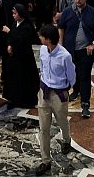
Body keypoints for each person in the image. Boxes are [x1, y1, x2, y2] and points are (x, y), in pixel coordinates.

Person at [57, 0, 94, 118]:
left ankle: (85, 104)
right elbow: (60, 27)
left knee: (84, 76)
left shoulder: (93, 13)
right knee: (72, 73)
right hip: (70, 50)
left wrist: (93, 43)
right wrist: (60, 44)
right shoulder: (67, 12)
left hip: (86, 51)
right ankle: (75, 91)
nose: (77, 1)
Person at [34, 24, 75, 176]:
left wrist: (65, 89)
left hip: (59, 94)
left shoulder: (65, 56)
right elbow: (43, 66)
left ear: (49, 39)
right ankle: (45, 161)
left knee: (62, 121)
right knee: (43, 128)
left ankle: (66, 139)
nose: (39, 38)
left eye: (42, 36)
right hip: (44, 92)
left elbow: (72, 76)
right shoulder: (43, 50)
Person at [2, 4, 39, 109]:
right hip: (14, 57)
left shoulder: (27, 27)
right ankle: (14, 99)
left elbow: (20, 40)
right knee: (13, 79)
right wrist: (9, 44)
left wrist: (9, 32)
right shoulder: (15, 23)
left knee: (24, 80)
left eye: (15, 13)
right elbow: (12, 39)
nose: (13, 15)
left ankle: (25, 101)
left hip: (24, 58)